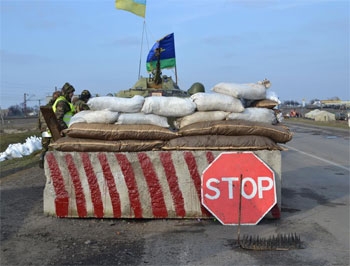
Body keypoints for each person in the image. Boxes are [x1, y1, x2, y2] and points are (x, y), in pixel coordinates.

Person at [38, 90, 61, 168]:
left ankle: (41, 159)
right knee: (51, 147)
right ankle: (50, 163)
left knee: (44, 147)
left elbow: (39, 120)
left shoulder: (44, 107)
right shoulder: (55, 107)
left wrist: (40, 128)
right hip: (50, 129)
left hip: (44, 129)